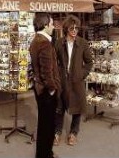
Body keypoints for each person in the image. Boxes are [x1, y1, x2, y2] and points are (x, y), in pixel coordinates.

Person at [54, 15, 93, 146]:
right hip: (62, 82)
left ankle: (73, 133)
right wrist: (57, 75)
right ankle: (57, 133)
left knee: (77, 109)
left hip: (77, 82)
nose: (75, 30)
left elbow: (89, 63)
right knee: (59, 108)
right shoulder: (59, 43)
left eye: (77, 28)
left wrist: (81, 74)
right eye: (72, 28)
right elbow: (54, 61)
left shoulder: (83, 43)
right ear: (66, 28)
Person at [29, 13, 61, 158]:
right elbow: (46, 71)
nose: (54, 27)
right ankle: (46, 155)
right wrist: (53, 89)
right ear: (46, 25)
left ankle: (44, 153)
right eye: (52, 24)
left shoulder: (36, 40)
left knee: (44, 124)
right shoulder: (44, 43)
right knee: (47, 125)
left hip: (40, 89)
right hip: (46, 91)